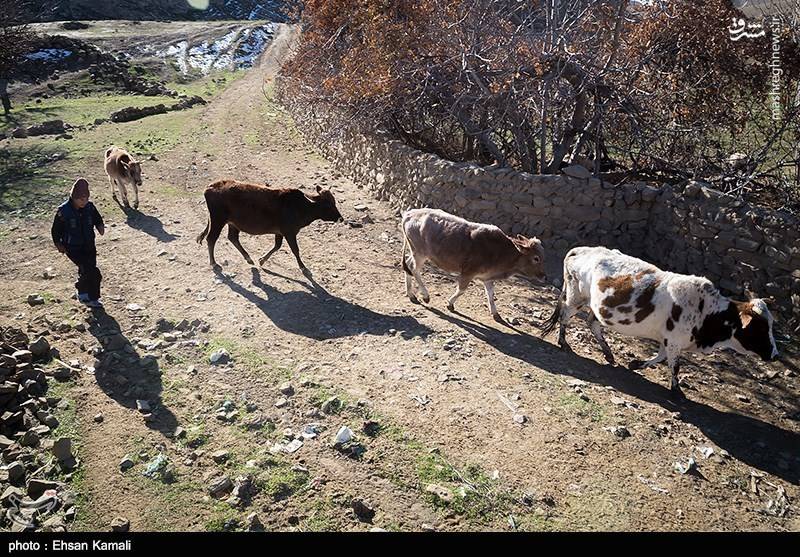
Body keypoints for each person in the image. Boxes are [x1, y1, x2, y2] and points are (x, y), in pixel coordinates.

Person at [51, 178, 105, 307]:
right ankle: (93, 298)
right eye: (81, 199)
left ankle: (82, 293)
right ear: (73, 197)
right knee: (93, 272)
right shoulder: (63, 211)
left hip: (89, 245)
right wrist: (58, 244)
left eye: (86, 199)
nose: (84, 202)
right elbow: (55, 229)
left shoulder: (90, 207)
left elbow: (97, 218)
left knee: (85, 269)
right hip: (73, 248)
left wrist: (100, 226)